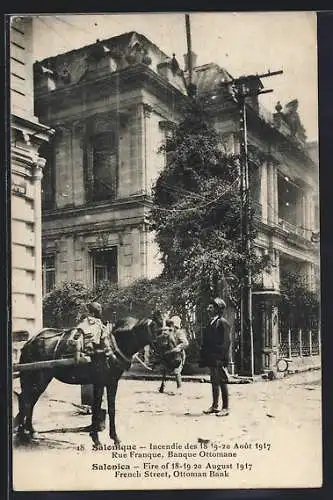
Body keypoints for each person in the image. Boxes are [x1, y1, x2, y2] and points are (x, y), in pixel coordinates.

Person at [200, 298, 231, 417]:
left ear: (217, 309)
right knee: (214, 382)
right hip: (212, 358)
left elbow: (226, 343)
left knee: (222, 381)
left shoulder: (222, 322)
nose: (208, 309)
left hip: (219, 358)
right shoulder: (211, 323)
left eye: (211, 307)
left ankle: (225, 407)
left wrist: (222, 359)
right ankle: (214, 406)